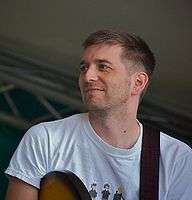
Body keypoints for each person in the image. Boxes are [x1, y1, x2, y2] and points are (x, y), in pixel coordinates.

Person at [5, 30, 192, 200]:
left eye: (103, 67)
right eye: (84, 68)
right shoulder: (45, 139)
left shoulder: (176, 158)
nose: (88, 77)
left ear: (138, 82)